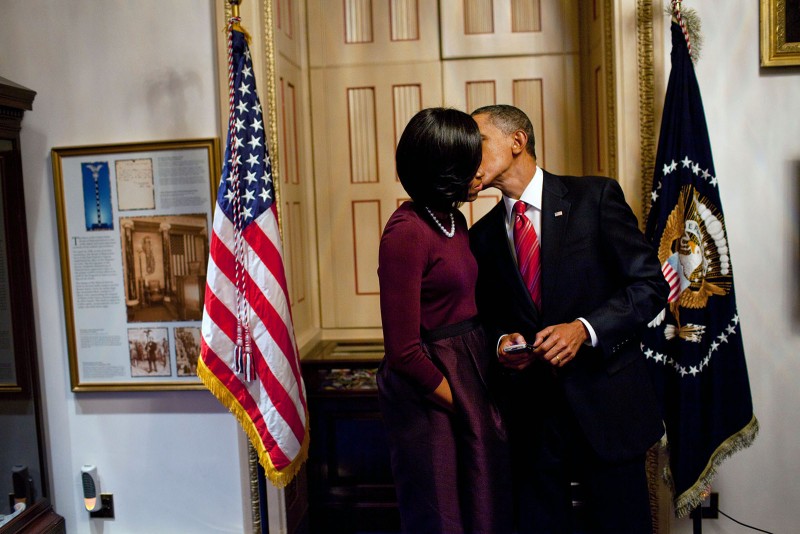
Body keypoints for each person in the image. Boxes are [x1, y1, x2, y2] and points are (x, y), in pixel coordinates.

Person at [468, 104, 668, 533]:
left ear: (517, 141)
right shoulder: (480, 237)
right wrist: (503, 344)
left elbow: (650, 287)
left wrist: (585, 329)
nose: (467, 152)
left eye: (478, 141)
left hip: (607, 406)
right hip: (533, 420)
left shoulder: (594, 197)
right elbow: (489, 321)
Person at [377, 107, 512, 534]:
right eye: (469, 161)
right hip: (431, 391)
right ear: (445, 169)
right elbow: (403, 352)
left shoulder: (453, 219)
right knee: (443, 513)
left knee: (483, 509)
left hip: (470, 373)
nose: (478, 170)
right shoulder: (406, 231)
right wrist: (464, 403)